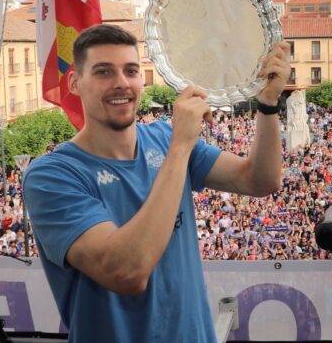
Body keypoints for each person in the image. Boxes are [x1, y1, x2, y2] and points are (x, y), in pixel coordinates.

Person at [23, 24, 289, 342]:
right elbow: (126, 272)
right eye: (104, 72)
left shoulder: (163, 137)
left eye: (131, 70)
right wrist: (180, 146)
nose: (121, 83)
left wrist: (269, 104)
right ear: (75, 82)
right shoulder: (51, 176)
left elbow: (259, 180)